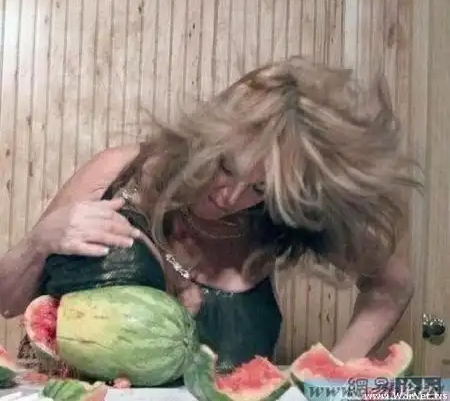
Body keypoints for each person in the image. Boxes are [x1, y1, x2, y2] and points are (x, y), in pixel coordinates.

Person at [0, 56, 419, 379]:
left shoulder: (277, 220)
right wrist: (38, 242)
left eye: (259, 189)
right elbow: (7, 302)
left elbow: (392, 284)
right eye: (226, 166)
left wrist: (334, 371)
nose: (230, 197)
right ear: (208, 136)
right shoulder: (118, 172)